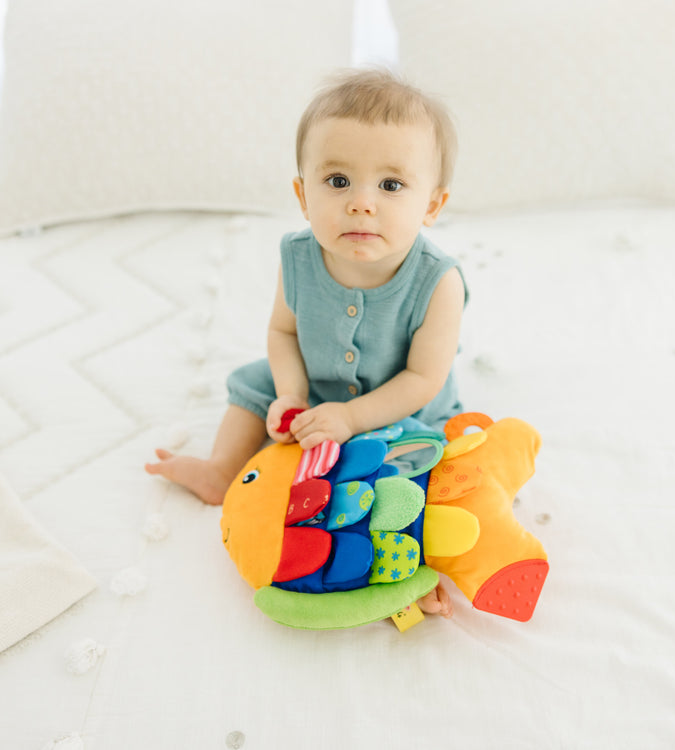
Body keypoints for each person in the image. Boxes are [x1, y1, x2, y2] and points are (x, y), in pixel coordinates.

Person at [146, 69, 466, 617]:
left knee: (423, 465)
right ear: (302, 193)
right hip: (316, 383)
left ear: (432, 205)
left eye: (391, 186)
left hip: (399, 406)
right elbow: (283, 331)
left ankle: (417, 562)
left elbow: (423, 379)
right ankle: (223, 469)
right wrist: (291, 394)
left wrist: (351, 419)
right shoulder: (298, 256)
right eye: (338, 181)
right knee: (252, 385)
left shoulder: (438, 282)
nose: (361, 203)